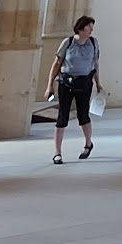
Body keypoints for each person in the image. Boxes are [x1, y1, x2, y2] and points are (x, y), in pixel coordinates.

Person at [44, 15, 102, 164]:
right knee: (62, 117)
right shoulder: (68, 42)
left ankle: (88, 143)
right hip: (66, 83)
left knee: (84, 115)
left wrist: (98, 82)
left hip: (85, 82)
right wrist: (49, 85)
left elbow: (95, 64)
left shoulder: (93, 43)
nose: (91, 30)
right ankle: (57, 152)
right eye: (89, 27)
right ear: (81, 28)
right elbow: (57, 64)